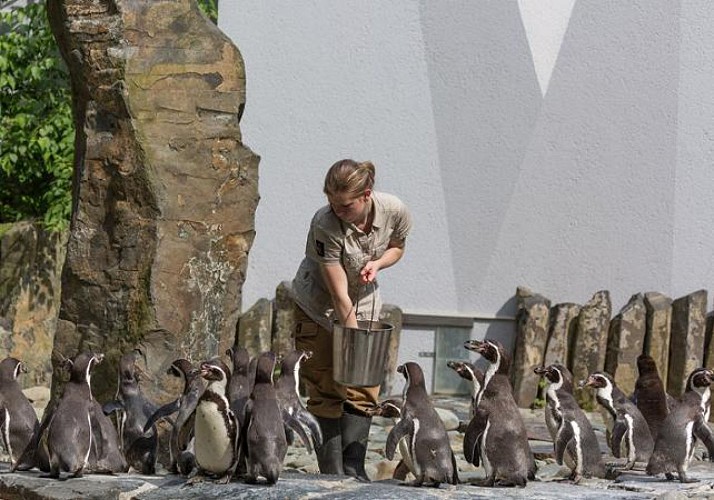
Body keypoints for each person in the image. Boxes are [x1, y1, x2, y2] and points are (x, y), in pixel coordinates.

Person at [291, 159, 412, 481]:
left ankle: (354, 469)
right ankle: (332, 473)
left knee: (364, 387)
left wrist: (378, 263)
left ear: (366, 195)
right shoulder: (325, 223)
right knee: (326, 386)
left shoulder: (394, 209)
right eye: (332, 202)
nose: (337, 210)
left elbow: (398, 246)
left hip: (365, 304)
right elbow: (338, 294)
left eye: (344, 205)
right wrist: (354, 339)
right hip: (319, 308)